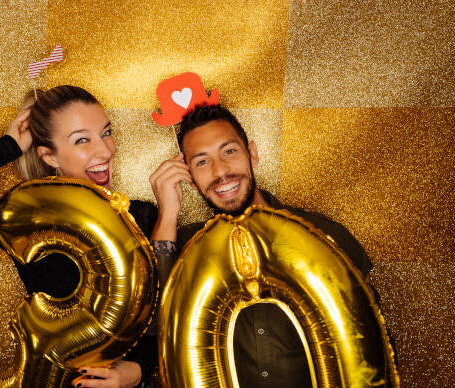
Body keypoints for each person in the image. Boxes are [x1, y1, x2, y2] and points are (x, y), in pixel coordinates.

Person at [0, 86, 156, 388]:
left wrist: (137, 371)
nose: (106, 150)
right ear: (49, 156)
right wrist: (10, 145)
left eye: (106, 132)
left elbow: (163, 315)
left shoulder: (141, 216)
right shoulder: (30, 222)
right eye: (82, 140)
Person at [149, 103, 372, 387]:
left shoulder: (322, 236)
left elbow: (367, 341)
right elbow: (157, 330)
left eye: (229, 151)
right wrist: (167, 213)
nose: (220, 171)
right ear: (190, 178)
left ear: (252, 153)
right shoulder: (184, 247)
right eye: (202, 162)